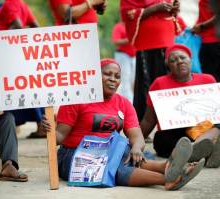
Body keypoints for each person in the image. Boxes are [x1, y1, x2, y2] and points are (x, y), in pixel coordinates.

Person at [41, 58, 204, 190]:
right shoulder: (76, 99)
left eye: (117, 76)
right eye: (107, 74)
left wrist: (136, 147)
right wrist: (48, 130)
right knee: (113, 167)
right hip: (76, 154)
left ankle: (167, 168)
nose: (113, 79)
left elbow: (137, 136)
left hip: (112, 151)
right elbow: (60, 137)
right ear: (94, 76)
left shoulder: (124, 103)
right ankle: (169, 177)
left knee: (127, 152)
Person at [141, 44, 220, 168]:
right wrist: (135, 142)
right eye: (173, 60)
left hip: (205, 127)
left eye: (182, 58)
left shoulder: (207, 80)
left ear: (190, 59)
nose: (179, 61)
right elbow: (148, 120)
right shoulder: (159, 83)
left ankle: (198, 147)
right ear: (168, 66)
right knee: (161, 140)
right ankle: (205, 151)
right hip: (176, 132)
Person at [120, 0, 180, 123]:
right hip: (147, 42)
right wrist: (154, 8)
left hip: (167, 40)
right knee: (146, 86)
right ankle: (142, 125)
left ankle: (172, 121)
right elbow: (128, 14)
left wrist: (173, 8)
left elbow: (172, 15)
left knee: (169, 83)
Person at [0, 0, 46, 138]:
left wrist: (11, 33)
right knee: (25, 86)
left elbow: (17, 27)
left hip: (9, 50)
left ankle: (39, 124)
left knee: (17, 88)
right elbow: (36, 26)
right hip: (19, 51)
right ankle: (33, 124)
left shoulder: (11, 2)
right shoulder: (22, 4)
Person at [191, 0, 220, 82]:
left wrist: (202, 26)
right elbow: (205, 15)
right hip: (207, 41)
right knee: (210, 79)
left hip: (214, 42)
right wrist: (197, 26)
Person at [111, 19, 136, 103]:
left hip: (134, 55)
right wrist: (129, 39)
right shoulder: (119, 27)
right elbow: (115, 41)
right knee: (125, 79)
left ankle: (134, 101)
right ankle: (128, 102)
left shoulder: (135, 25)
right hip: (123, 55)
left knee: (134, 80)